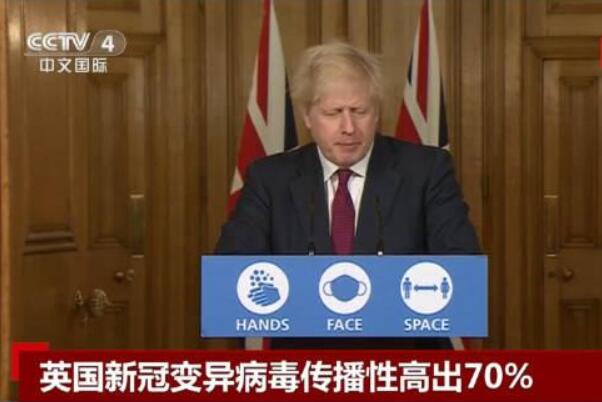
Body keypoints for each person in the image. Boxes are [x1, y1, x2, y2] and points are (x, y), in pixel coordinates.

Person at [215, 42, 480, 349]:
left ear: (376, 114)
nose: (348, 127)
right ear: (307, 116)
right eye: (333, 113)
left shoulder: (426, 171)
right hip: (307, 364)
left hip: (403, 360)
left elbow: (462, 267)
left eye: (359, 111)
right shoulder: (270, 178)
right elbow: (231, 273)